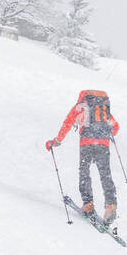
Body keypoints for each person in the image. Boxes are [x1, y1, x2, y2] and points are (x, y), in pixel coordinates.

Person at [46, 89, 120, 224]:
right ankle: (111, 205)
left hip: (87, 143)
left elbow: (67, 124)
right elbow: (115, 127)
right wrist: (107, 134)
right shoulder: (103, 109)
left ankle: (88, 204)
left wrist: (56, 141)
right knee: (105, 174)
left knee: (84, 172)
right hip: (103, 143)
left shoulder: (80, 107)